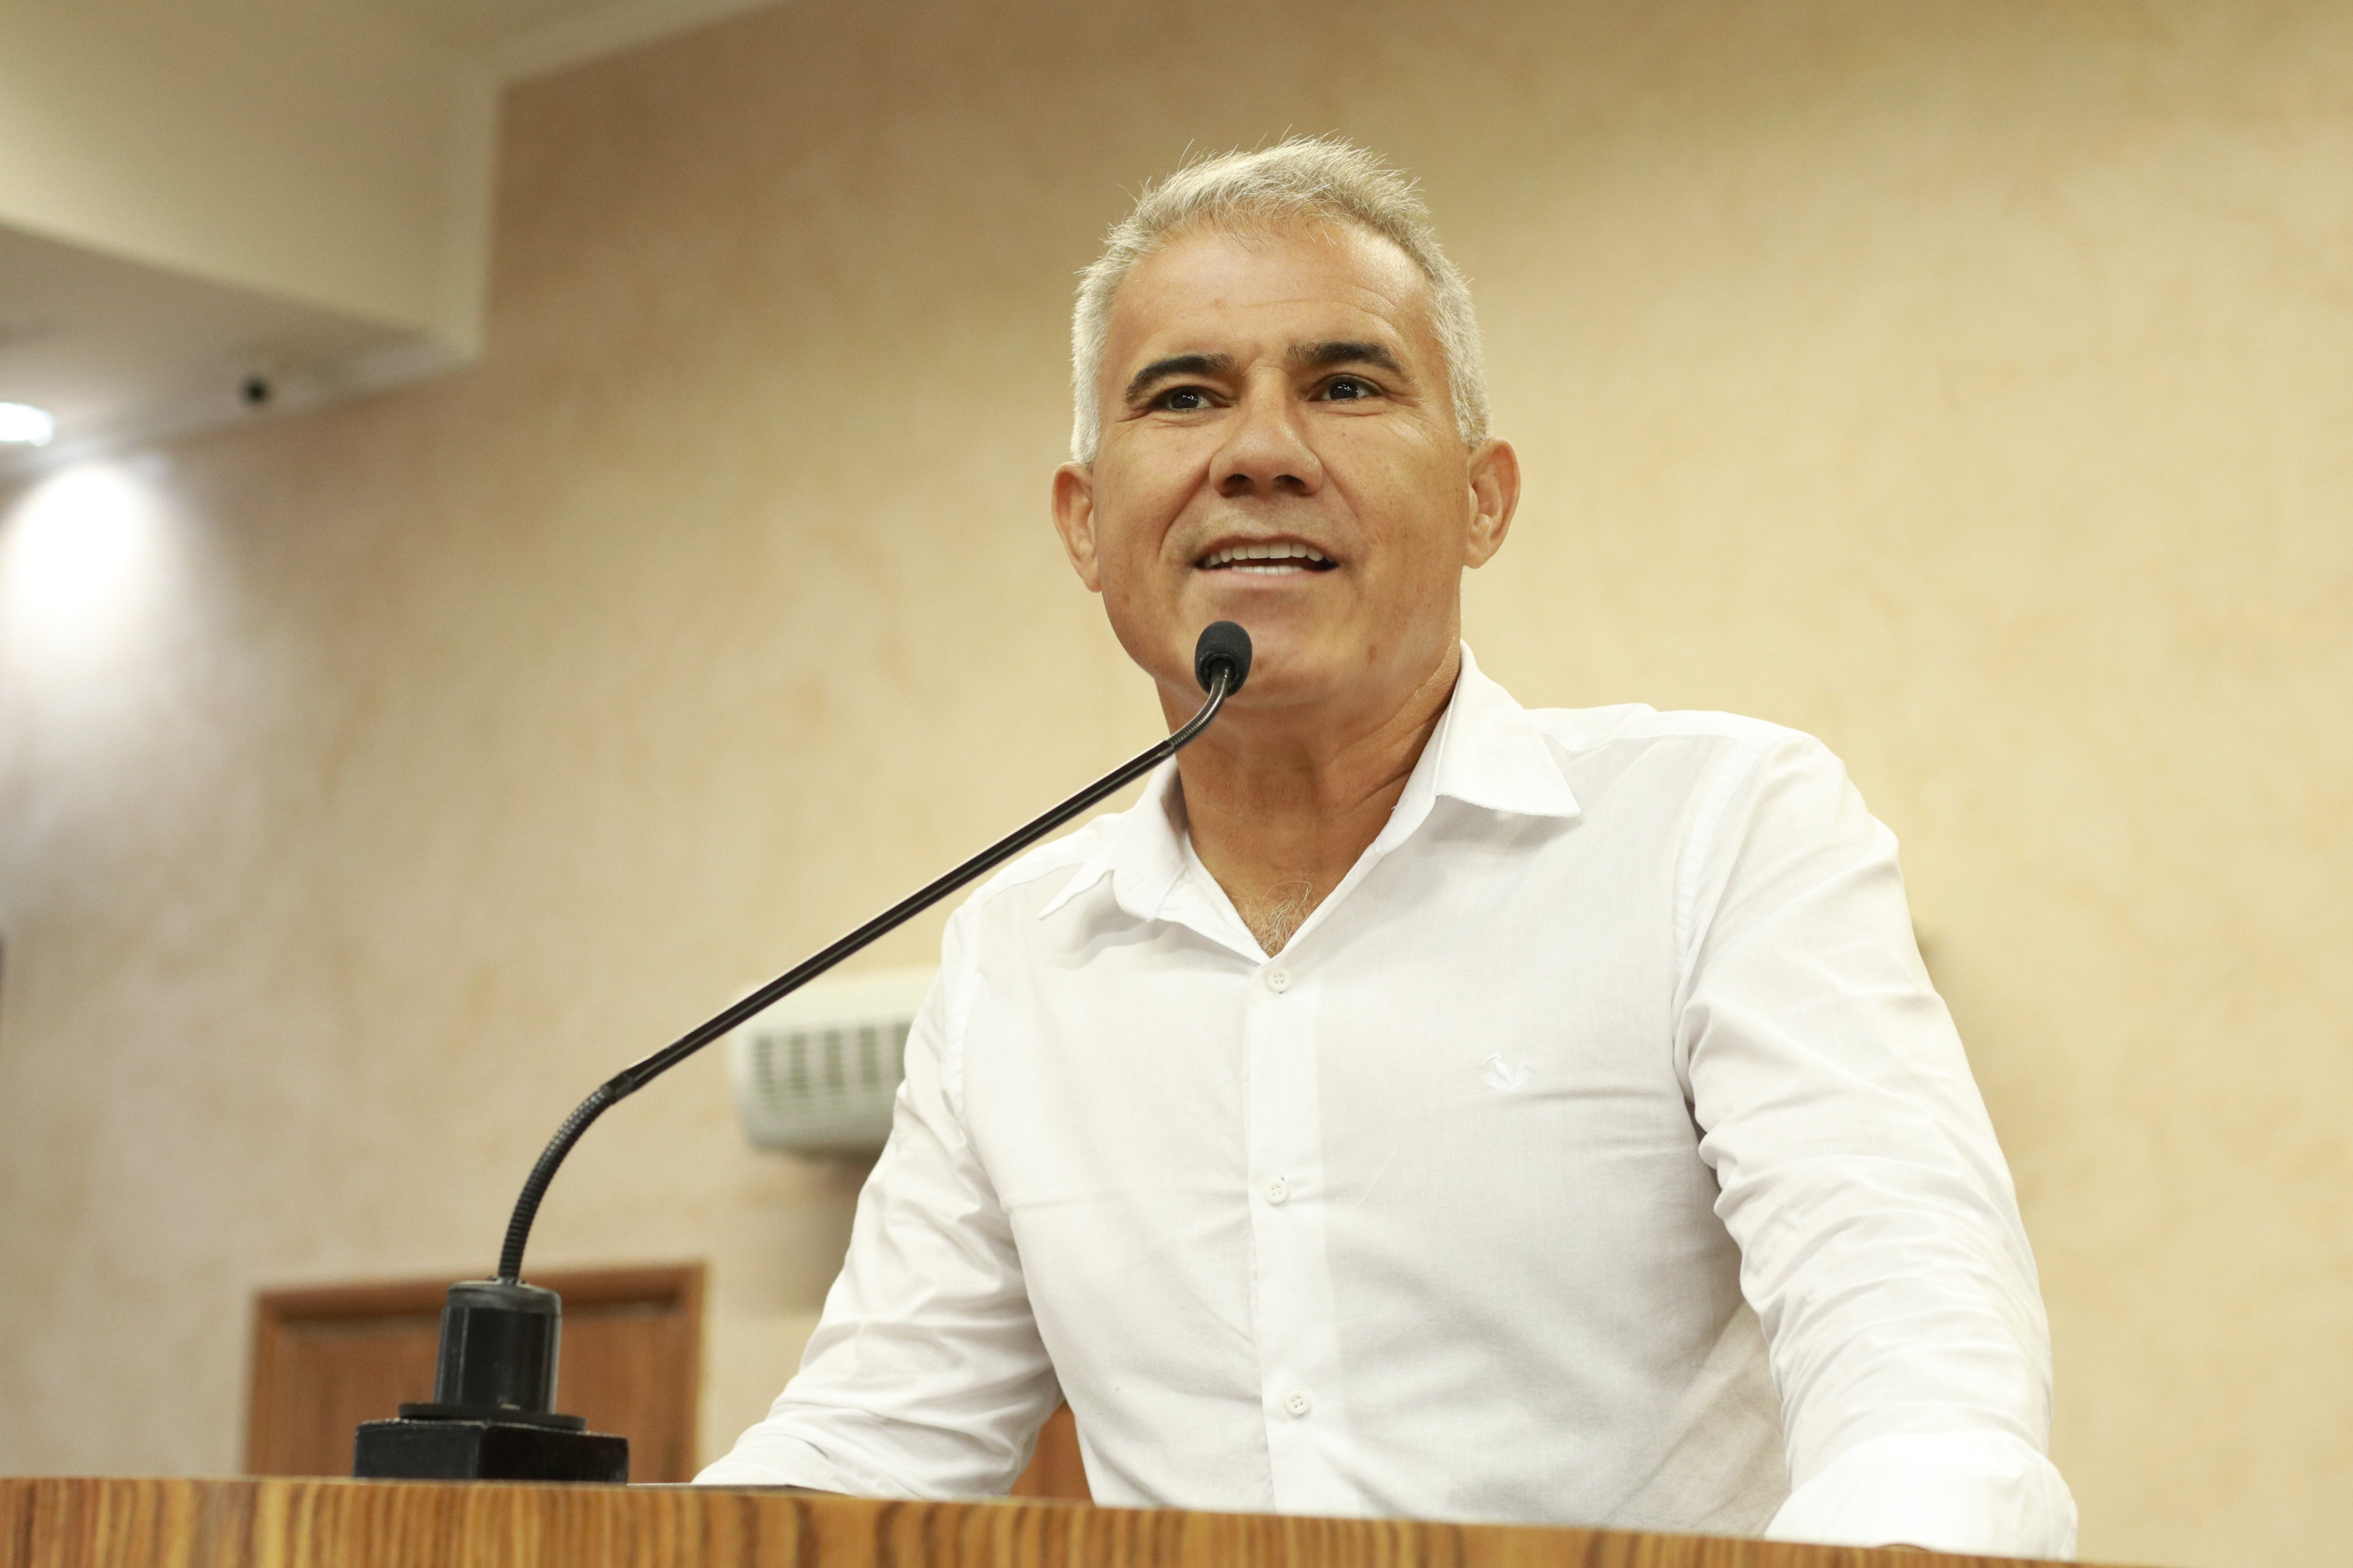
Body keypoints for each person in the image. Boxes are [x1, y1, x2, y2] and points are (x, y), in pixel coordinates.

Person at [697, 137, 2076, 1558]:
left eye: (1345, 385)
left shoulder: (1720, 831)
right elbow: (863, 1442)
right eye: (1185, 396)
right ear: (1086, 523)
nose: (1259, 453)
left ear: (1483, 498)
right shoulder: (1019, 951)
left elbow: (1917, 1367)